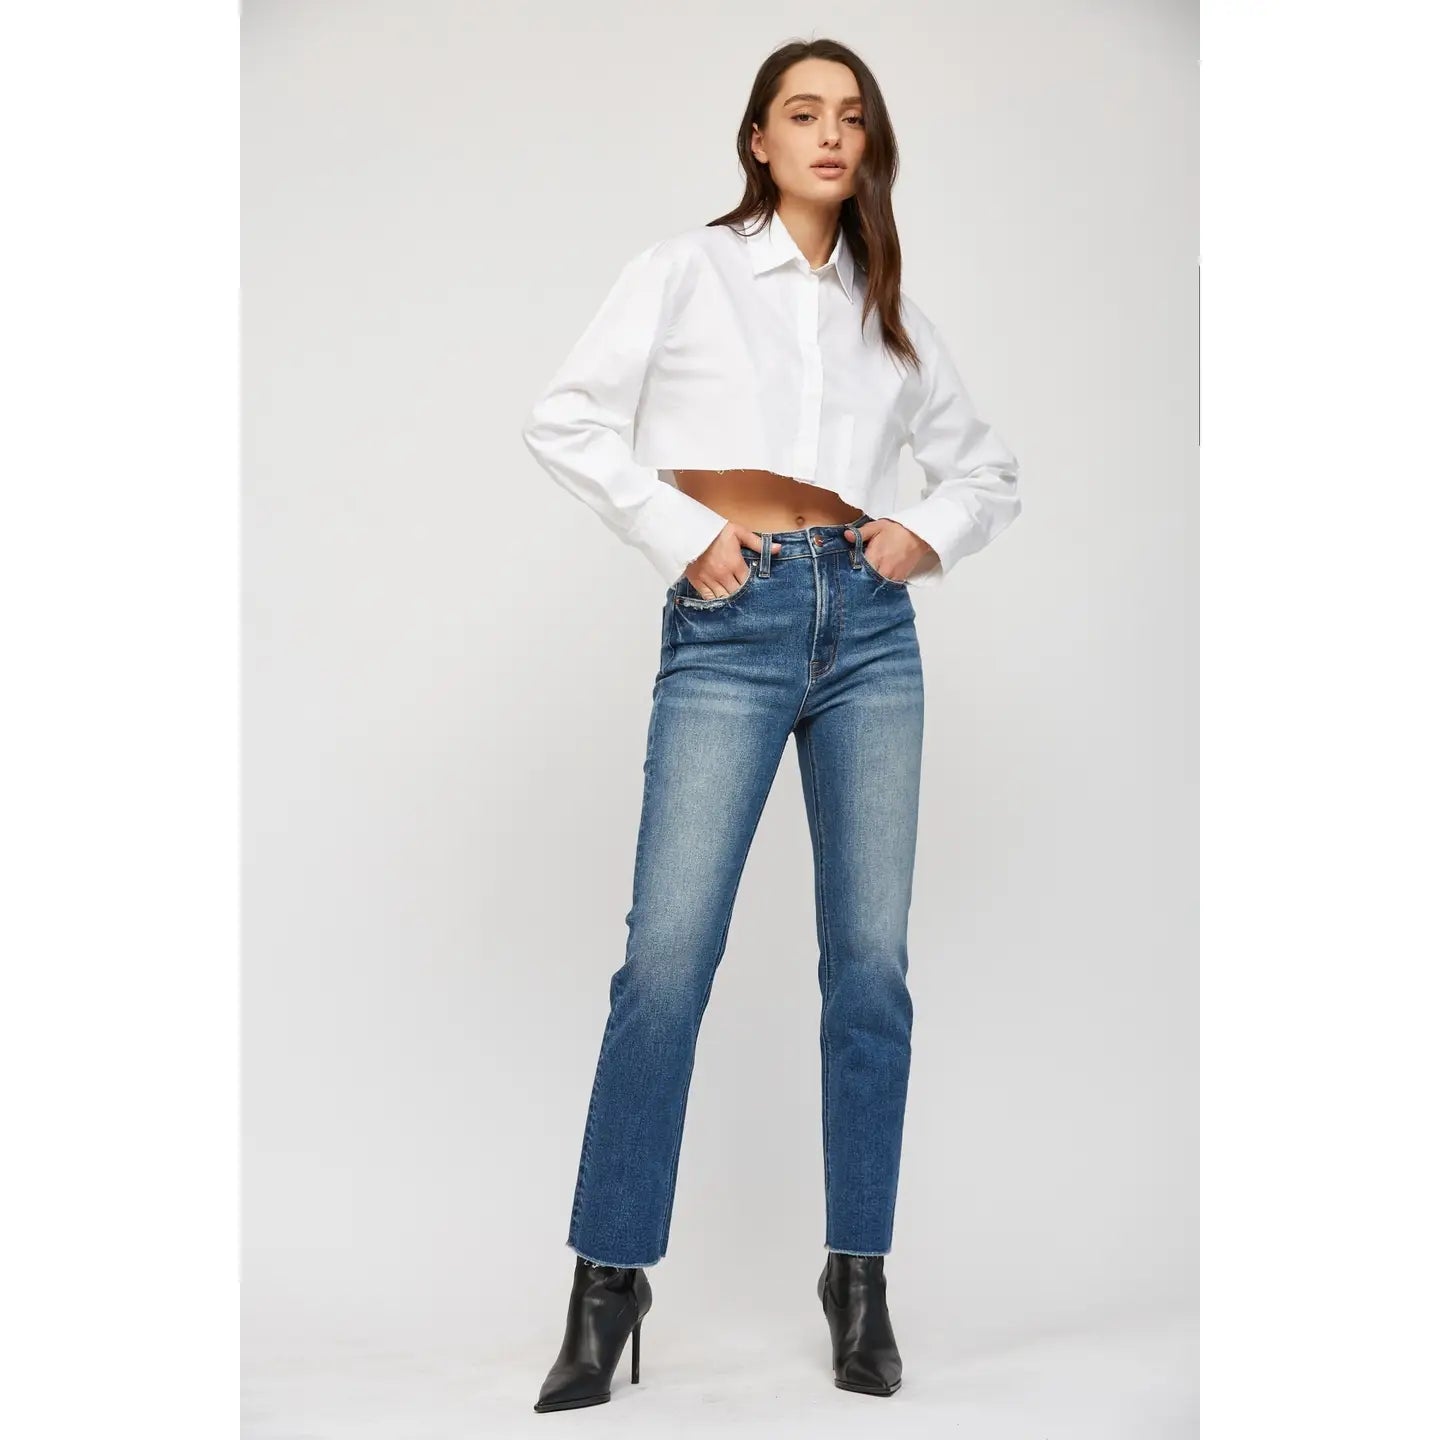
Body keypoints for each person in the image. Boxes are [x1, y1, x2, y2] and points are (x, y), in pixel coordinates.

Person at [521, 38, 1021, 1412]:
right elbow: (565, 420)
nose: (830, 135)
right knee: (666, 963)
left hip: (870, 636)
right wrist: (682, 533)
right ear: (759, 138)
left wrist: (923, 532)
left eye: (851, 116)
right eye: (804, 113)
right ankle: (609, 1279)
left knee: (869, 969)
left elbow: (987, 470)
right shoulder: (686, 271)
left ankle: (857, 1274)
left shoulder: (888, 310)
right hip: (732, 625)